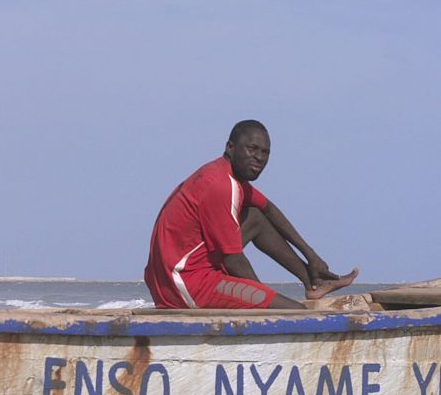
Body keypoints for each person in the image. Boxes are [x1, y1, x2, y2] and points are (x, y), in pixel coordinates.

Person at [144, 120, 356, 309]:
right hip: (185, 283)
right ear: (230, 147)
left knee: (255, 217)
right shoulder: (221, 186)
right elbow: (233, 260)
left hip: (172, 277)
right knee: (295, 312)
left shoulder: (224, 173)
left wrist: (311, 256)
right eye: (252, 149)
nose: (259, 158)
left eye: (265, 153)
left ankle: (313, 282)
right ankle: (283, 299)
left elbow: (268, 209)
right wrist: (265, 298)